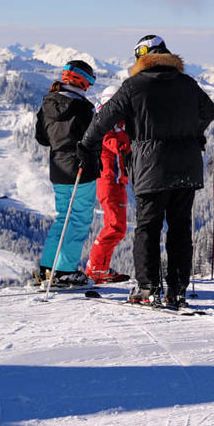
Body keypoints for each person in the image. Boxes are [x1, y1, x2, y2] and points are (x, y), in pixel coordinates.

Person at [79, 35, 214, 309]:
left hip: (150, 167)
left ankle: (148, 287)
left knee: (148, 228)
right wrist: (193, 133)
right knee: (180, 229)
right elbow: (210, 111)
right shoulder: (187, 83)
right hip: (186, 167)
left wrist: (87, 146)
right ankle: (177, 289)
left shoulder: (134, 86)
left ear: (141, 59)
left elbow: (104, 117)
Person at [34, 60, 100, 286]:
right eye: (89, 81)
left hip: (59, 169)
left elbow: (42, 138)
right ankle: (64, 271)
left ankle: (48, 268)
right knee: (79, 220)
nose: (89, 87)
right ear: (82, 81)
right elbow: (94, 140)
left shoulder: (47, 104)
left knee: (64, 218)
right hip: (82, 169)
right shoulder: (83, 109)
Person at [85, 85, 132, 284]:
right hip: (109, 180)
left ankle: (100, 268)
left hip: (115, 180)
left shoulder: (113, 122)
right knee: (115, 226)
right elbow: (119, 145)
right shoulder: (105, 122)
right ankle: (96, 268)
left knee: (117, 227)